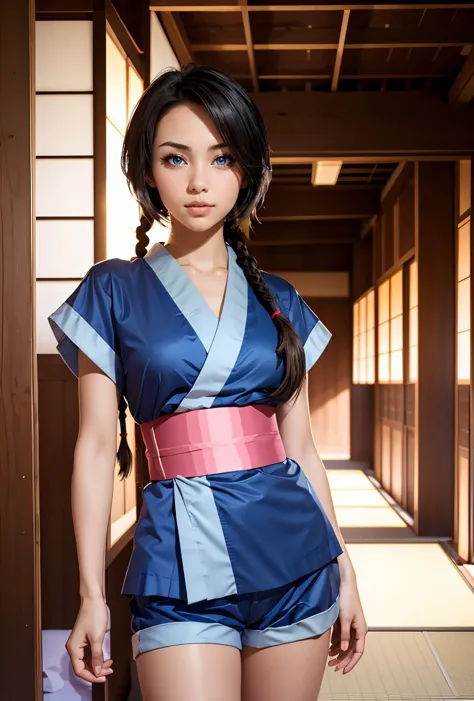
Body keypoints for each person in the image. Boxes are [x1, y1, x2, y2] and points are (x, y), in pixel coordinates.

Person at [48, 63, 367, 701]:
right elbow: (92, 446)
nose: (199, 182)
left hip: (296, 559)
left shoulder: (279, 300)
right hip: (177, 564)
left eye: (221, 159)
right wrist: (90, 595)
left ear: (247, 171)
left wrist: (347, 570)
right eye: (175, 158)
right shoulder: (113, 290)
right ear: (147, 171)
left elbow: (300, 450)